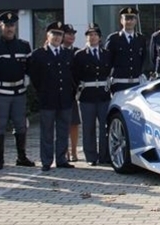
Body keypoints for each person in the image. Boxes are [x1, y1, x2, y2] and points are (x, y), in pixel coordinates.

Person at [0, 11, 35, 169]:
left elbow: (30, 68)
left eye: (12, 25)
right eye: (6, 25)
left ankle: (21, 157)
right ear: (0, 26)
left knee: (21, 125)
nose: (9, 28)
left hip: (19, 92)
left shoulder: (24, 46)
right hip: (0, 93)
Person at [30, 21, 75, 171]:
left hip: (65, 99)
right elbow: (35, 77)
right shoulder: (38, 54)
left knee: (63, 131)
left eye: (60, 34)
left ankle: (61, 159)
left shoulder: (68, 54)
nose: (57, 37)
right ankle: (46, 161)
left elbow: (73, 76)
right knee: (47, 132)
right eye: (54, 34)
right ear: (47, 35)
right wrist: (42, 92)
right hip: (47, 99)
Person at [73, 23, 112, 166]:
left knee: (105, 127)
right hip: (87, 96)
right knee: (88, 128)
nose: (92, 37)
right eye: (89, 35)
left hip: (103, 95)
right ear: (86, 38)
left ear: (100, 38)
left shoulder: (107, 54)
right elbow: (75, 76)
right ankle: (90, 156)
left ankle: (104, 155)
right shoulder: (80, 55)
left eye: (95, 34)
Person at [106, 7, 148, 94]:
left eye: (132, 19)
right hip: (119, 83)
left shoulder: (141, 39)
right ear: (121, 20)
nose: (129, 22)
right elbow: (108, 60)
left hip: (136, 83)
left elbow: (144, 59)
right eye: (127, 19)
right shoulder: (113, 38)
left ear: (136, 21)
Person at [61, 23, 81, 163]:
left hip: (73, 92)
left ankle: (74, 151)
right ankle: (64, 151)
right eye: (68, 33)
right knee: (62, 123)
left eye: (73, 34)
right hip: (59, 92)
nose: (71, 36)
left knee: (74, 123)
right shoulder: (57, 51)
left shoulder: (78, 52)